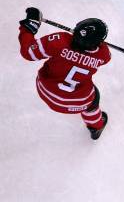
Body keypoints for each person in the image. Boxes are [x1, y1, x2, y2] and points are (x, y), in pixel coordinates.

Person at [18, 7, 111, 139]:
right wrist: (98, 42)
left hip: (45, 91)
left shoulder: (59, 41)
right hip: (78, 102)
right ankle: (96, 126)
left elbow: (28, 52)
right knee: (94, 98)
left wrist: (30, 27)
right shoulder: (103, 54)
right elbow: (104, 53)